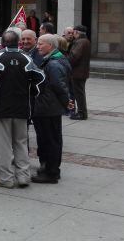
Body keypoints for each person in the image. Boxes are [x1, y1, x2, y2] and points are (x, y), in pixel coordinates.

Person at [0, 30, 45, 189]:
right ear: (19, 42)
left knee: (3, 144)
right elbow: (41, 78)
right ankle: (23, 176)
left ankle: (6, 178)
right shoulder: (27, 58)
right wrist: (33, 92)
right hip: (22, 107)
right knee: (21, 143)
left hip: (2, 108)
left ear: (3, 42)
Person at [32, 34, 74, 184]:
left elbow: (58, 85)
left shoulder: (54, 63)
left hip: (48, 108)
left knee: (50, 140)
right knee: (48, 139)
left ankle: (51, 172)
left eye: (41, 44)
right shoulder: (52, 60)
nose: (37, 46)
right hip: (48, 106)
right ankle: (47, 168)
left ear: (50, 46)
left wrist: (66, 101)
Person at [69, 25, 91, 121]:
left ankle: (81, 113)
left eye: (73, 32)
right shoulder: (85, 41)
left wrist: (67, 61)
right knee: (80, 93)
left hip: (77, 72)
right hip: (81, 71)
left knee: (79, 93)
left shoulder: (80, 42)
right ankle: (82, 112)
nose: (72, 34)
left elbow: (74, 57)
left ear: (77, 32)